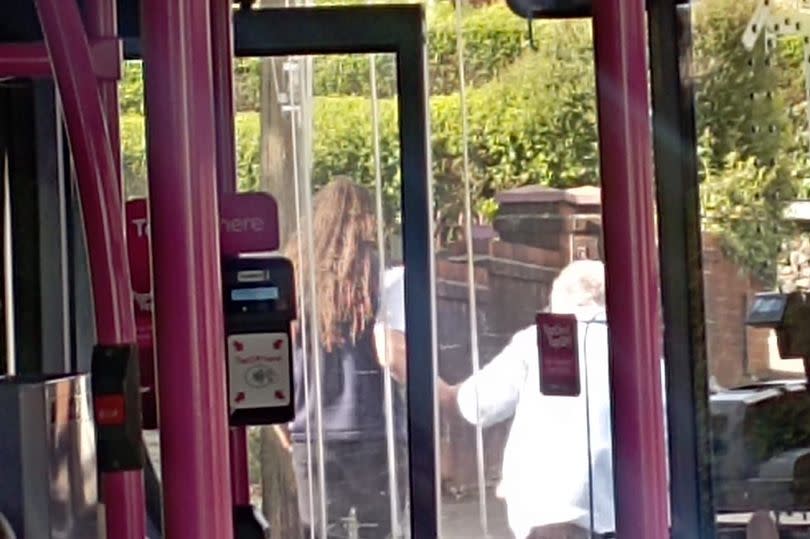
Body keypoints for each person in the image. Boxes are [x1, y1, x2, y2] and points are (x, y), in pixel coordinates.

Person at [446, 259, 616, 539]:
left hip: (551, 510)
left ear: (558, 299)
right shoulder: (633, 345)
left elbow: (477, 404)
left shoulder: (541, 340)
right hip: (625, 509)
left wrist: (450, 394)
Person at [280, 177, 407, 539]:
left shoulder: (294, 280)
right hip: (376, 429)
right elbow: (391, 356)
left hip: (312, 431)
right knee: (378, 531)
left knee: (323, 531)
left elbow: (275, 357)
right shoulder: (385, 278)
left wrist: (283, 424)